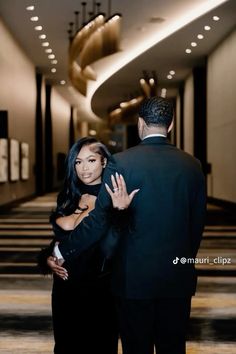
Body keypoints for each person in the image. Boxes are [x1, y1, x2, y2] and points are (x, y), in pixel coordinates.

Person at [55, 97, 206, 354]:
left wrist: (62, 251)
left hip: (133, 280)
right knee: (173, 347)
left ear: (140, 124)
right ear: (170, 126)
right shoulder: (192, 165)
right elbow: (196, 227)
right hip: (177, 279)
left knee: (137, 347)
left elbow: (99, 220)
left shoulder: (122, 163)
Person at [38, 137, 137, 354]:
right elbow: (60, 240)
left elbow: (116, 244)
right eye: (78, 162)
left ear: (104, 162)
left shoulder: (114, 195)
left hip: (99, 290)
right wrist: (48, 257)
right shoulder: (68, 195)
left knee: (99, 345)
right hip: (65, 288)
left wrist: (121, 213)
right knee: (65, 346)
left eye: (91, 160)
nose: (84, 168)